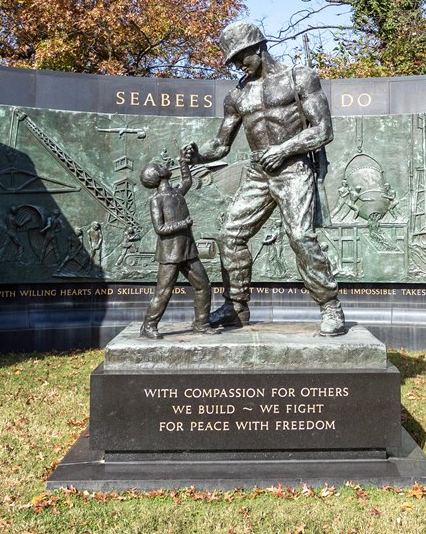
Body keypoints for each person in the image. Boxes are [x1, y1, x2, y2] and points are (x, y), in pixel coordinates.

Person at [183, 21, 348, 336]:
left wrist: (284, 149)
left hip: (294, 169)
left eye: (240, 57)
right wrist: (199, 155)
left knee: (300, 237)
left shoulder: (299, 78)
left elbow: (323, 130)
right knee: (230, 234)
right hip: (259, 173)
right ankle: (236, 307)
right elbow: (220, 145)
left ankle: (330, 305)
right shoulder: (237, 96)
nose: (237, 65)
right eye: (232, 60)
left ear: (258, 47)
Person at [138, 157, 218, 339]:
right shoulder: (157, 200)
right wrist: (184, 224)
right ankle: (148, 326)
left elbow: (188, 181)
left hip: (187, 250)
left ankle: (202, 324)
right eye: (159, 166)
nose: (163, 165)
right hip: (170, 254)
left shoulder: (176, 193)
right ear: (158, 175)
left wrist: (184, 163)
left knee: (203, 286)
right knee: (163, 292)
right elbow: (160, 229)